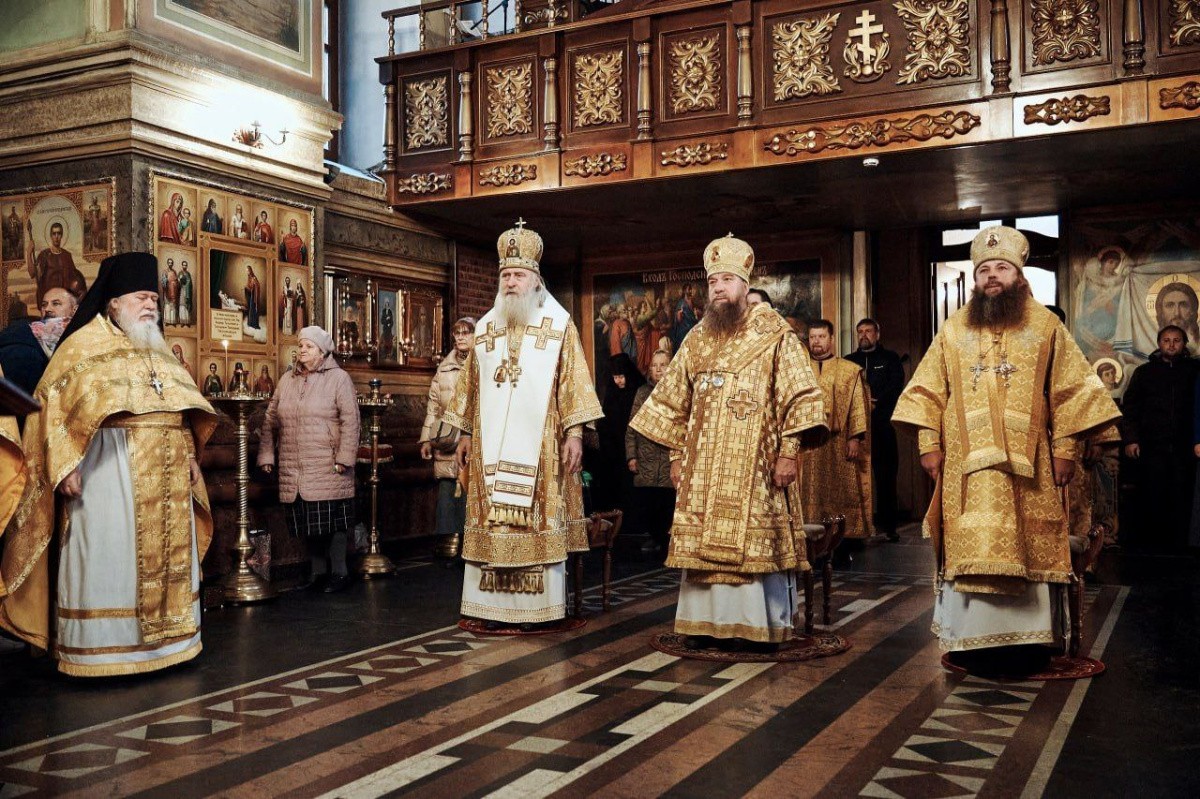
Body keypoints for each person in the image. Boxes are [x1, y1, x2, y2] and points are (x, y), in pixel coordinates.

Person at [892, 226, 1119, 675]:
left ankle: (1028, 645)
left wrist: (1066, 449)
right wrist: (928, 443)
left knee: (1027, 548)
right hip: (966, 468)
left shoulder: (1045, 325)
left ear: (1018, 275)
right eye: (984, 270)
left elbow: (1071, 392)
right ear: (975, 279)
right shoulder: (954, 328)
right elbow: (927, 390)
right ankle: (971, 643)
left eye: (1001, 268)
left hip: (1030, 467)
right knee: (971, 544)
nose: (992, 276)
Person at [0, 252, 218, 676]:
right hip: (107, 475)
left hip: (168, 477)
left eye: (154, 298)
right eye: (141, 298)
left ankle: (172, 644)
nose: (151, 305)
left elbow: (181, 410)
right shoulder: (81, 346)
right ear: (114, 302)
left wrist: (191, 454)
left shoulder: (158, 350)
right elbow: (51, 411)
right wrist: (63, 466)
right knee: (112, 562)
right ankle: (107, 652)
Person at [629, 234, 827, 651]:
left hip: (757, 465)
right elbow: (675, 402)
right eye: (712, 281)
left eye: (727, 280)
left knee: (755, 548)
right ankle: (704, 625)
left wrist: (789, 453)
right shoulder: (697, 337)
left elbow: (799, 395)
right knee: (702, 550)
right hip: (703, 468)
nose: (718, 288)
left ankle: (758, 627)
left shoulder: (774, 333)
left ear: (745, 283)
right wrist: (676, 456)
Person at [445, 220, 602, 631]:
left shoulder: (558, 324)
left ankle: (538, 611)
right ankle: (488, 608)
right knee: (491, 523)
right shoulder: (485, 327)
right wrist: (464, 433)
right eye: (506, 276)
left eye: (518, 275)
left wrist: (574, 434)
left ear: (535, 279)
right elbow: (471, 387)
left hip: (542, 448)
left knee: (536, 522)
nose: (511, 282)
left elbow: (574, 383)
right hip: (489, 449)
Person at [258, 326, 361, 592]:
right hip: (295, 464)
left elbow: (351, 421)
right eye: (300, 345)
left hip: (329, 462)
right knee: (308, 520)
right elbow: (270, 419)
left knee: (334, 522)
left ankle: (339, 572)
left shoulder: (339, 379)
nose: (302, 350)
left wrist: (345, 458)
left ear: (322, 351)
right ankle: (317, 573)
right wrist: (267, 454)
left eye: (309, 346)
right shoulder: (286, 379)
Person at [1121, 325, 1198, 552]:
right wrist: (1131, 439)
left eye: (1176, 340)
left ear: (1184, 344)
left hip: (1186, 446)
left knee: (1183, 494)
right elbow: (1131, 408)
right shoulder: (1144, 373)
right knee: (1153, 494)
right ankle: (1153, 546)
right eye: (1166, 340)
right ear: (1159, 344)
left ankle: (1181, 547)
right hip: (1151, 445)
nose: (1171, 345)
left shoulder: (1194, 371)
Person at [802, 320, 873, 540]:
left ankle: (844, 536)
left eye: (821, 336)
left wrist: (855, 437)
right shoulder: (799, 369)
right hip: (807, 444)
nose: (816, 341)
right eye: (813, 337)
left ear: (831, 339)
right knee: (809, 491)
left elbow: (858, 404)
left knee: (842, 489)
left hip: (839, 441)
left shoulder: (849, 370)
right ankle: (811, 536)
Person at [846, 317, 907, 541]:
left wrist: (876, 402)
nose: (864, 335)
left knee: (886, 478)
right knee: (853, 480)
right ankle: (854, 528)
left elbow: (896, 386)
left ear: (877, 334)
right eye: (860, 331)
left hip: (882, 426)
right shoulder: (849, 361)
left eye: (868, 331)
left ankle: (889, 527)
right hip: (856, 431)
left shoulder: (890, 359)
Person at [419, 317, 476, 557]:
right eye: (457, 333)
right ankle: (448, 545)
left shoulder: (483, 362)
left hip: (474, 437)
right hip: (447, 437)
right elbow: (433, 405)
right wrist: (426, 438)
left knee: (470, 490)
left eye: (466, 332)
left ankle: (470, 545)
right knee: (447, 490)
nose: (460, 337)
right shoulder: (444, 368)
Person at [626, 349, 675, 558]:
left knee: (667, 501)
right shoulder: (642, 392)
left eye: (663, 365)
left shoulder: (678, 391)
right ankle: (653, 536)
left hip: (669, 457)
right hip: (646, 456)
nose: (658, 369)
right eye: (654, 365)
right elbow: (632, 426)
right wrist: (631, 455)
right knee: (648, 501)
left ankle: (667, 540)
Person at [0, 287, 77, 402]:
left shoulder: (81, 335)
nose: (47, 309)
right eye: (44, 305)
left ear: (75, 310)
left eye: (56, 303)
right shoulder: (23, 327)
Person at [596, 353, 644, 516]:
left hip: (633, 450)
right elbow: (605, 421)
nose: (618, 381)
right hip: (614, 451)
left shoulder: (639, 390)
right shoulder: (612, 391)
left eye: (621, 376)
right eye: (615, 377)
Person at [25, 220, 87, 306]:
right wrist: (29, 253)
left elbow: (74, 277)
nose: (56, 236)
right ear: (51, 236)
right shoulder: (44, 255)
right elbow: (32, 273)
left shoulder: (67, 255)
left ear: (62, 235)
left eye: (59, 233)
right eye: (54, 234)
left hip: (64, 302)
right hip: (49, 302)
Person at [161, 261, 180, 326]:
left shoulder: (174, 272)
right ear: (167, 263)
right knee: (167, 306)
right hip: (167, 291)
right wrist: (165, 280)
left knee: (173, 306)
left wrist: (176, 283)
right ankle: (167, 321)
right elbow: (163, 281)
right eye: (169, 263)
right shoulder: (165, 271)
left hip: (173, 291)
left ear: (172, 264)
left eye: (171, 263)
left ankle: (173, 322)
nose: (170, 264)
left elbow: (177, 281)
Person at [245, 265, 262, 330]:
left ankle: (254, 324)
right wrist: (247, 287)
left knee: (254, 309)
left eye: (248, 271)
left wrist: (254, 286)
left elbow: (257, 285)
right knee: (250, 309)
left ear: (250, 271)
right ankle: (250, 323)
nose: (247, 272)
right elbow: (249, 285)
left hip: (254, 296)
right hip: (251, 295)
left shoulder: (254, 277)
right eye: (247, 271)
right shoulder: (249, 277)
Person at [178, 261, 193, 326]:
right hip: (182, 290)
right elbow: (178, 283)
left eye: (185, 265)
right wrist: (180, 280)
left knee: (187, 305)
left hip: (188, 292)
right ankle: (182, 322)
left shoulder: (188, 274)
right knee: (182, 305)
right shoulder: (180, 273)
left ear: (187, 266)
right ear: (182, 266)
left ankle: (187, 322)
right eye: (183, 265)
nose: (184, 266)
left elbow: (190, 283)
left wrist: (188, 285)